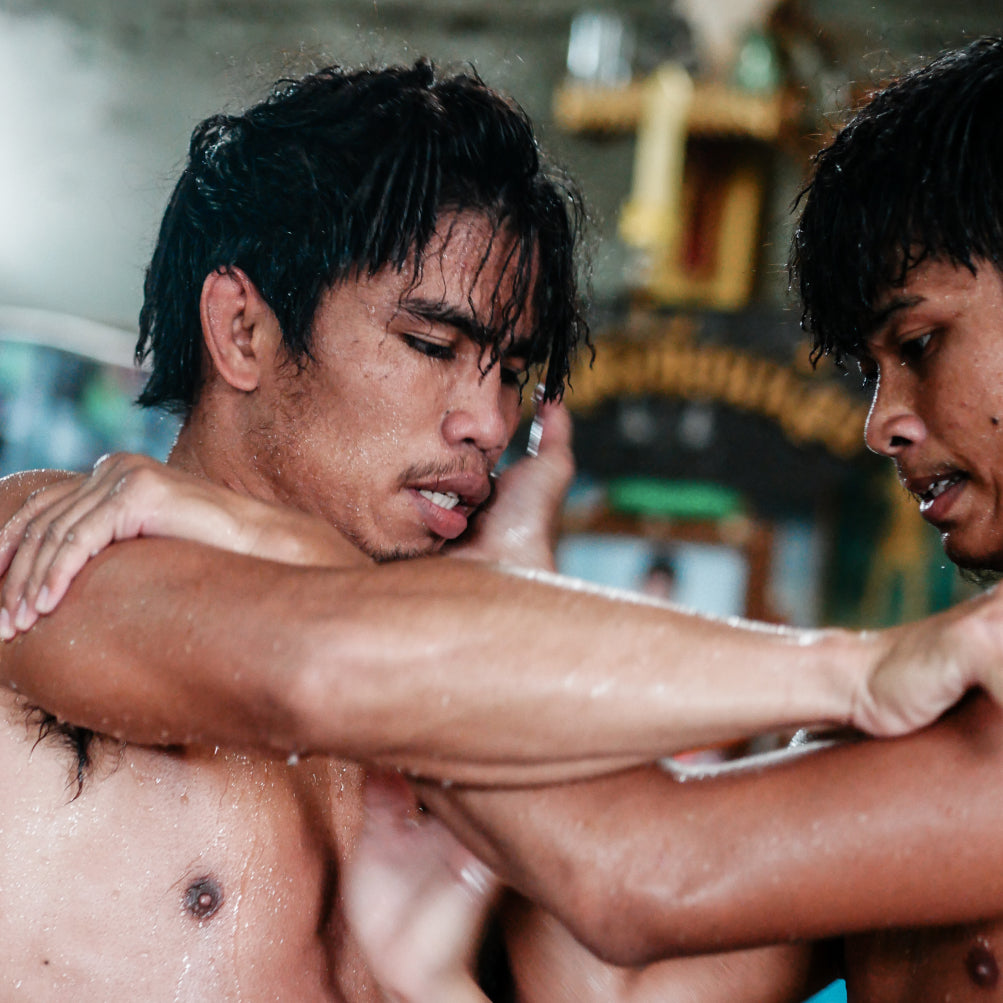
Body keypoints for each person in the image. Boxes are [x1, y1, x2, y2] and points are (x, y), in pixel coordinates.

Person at [2, 54, 1003, 1001]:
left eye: (514, 374)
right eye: (431, 343)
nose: (488, 421)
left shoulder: (471, 726)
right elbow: (313, 666)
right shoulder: (53, 548)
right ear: (242, 330)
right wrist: (853, 669)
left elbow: (628, 904)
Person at [352, 35, 1003, 1002]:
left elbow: (639, 878)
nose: (881, 425)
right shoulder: (930, 721)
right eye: (872, 373)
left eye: (918, 343)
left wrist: (443, 612)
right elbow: (619, 977)